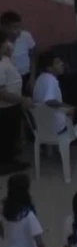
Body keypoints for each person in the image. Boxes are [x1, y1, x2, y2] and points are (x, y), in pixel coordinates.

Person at [0, 39, 33, 174]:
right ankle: (6, 165)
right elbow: (2, 93)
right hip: (5, 108)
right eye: (6, 44)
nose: (10, 46)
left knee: (12, 135)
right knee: (6, 137)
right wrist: (22, 99)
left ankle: (12, 159)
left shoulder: (6, 60)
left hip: (13, 105)